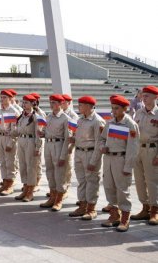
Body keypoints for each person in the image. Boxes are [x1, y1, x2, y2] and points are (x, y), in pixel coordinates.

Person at [99, 95, 140, 232]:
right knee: (109, 187)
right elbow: (102, 138)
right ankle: (114, 215)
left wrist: (128, 166)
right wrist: (102, 147)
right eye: (112, 108)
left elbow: (132, 148)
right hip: (109, 159)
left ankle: (125, 218)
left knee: (122, 190)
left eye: (117, 108)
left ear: (125, 108)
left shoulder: (130, 124)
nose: (114, 111)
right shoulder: (110, 123)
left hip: (121, 159)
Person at [68, 96, 105, 220]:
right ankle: (82, 205)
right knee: (81, 181)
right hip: (79, 152)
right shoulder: (80, 120)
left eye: (81, 105)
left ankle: (91, 208)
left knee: (92, 181)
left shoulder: (97, 121)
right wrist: (73, 140)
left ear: (89, 106)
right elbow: (79, 136)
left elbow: (99, 142)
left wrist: (94, 161)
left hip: (90, 154)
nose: (79, 107)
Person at [132, 85, 158, 225]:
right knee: (139, 181)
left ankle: (155, 210)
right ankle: (145, 208)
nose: (144, 97)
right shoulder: (138, 113)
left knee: (152, 181)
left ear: (155, 97)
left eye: (147, 95)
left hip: (152, 149)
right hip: (138, 150)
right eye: (143, 95)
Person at [39, 94, 70, 211]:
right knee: (50, 172)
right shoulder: (49, 117)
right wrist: (43, 134)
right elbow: (46, 131)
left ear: (61, 104)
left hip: (59, 145)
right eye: (51, 102)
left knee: (59, 174)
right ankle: (52, 196)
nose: (52, 105)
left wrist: (63, 156)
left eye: (54, 103)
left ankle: (59, 199)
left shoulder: (65, 118)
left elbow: (67, 138)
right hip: (48, 144)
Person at [14, 94, 42, 202]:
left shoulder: (35, 116)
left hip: (31, 141)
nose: (24, 104)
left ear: (32, 104)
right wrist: (10, 132)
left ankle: (30, 191)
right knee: (23, 165)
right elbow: (18, 130)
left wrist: (37, 147)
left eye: (26, 102)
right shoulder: (22, 115)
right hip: (21, 140)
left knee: (31, 167)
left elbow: (38, 133)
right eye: (23, 102)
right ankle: (25, 188)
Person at [0, 90, 21, 196]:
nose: (2, 99)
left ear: (10, 99)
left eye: (5, 97)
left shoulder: (13, 111)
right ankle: (4, 182)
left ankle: (10, 184)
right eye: (2, 97)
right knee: (2, 162)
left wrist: (11, 143)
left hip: (9, 138)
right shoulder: (0, 110)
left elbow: (14, 130)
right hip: (0, 137)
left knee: (10, 163)